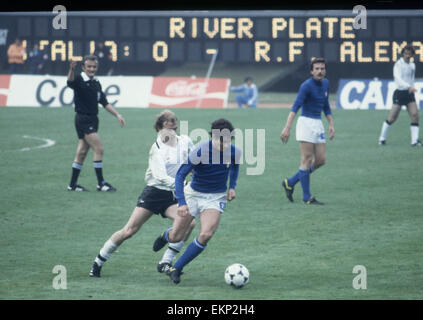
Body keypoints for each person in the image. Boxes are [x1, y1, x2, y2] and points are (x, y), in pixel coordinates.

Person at [89, 110, 196, 277]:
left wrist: (196, 171)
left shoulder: (185, 141)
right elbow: (160, 177)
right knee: (129, 231)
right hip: (154, 193)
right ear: (161, 126)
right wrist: (184, 184)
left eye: (175, 120)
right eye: (169, 121)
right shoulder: (157, 148)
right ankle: (98, 262)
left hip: (173, 195)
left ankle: (165, 262)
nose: (174, 123)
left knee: (189, 222)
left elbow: (195, 159)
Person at [152, 118, 241, 284]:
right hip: (193, 194)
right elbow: (180, 175)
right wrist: (182, 203)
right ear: (213, 138)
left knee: (206, 234)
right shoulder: (200, 151)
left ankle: (176, 268)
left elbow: (235, 167)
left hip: (215, 198)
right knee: (176, 236)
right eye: (221, 142)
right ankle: (166, 236)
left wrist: (232, 187)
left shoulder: (234, 151)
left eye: (227, 142)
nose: (224, 146)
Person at [280, 57, 335, 205]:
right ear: (311, 71)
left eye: (322, 68)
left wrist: (331, 124)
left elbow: (326, 106)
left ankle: (290, 182)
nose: (320, 71)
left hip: (318, 124)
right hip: (305, 124)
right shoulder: (306, 86)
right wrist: (287, 127)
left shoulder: (326, 84)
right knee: (307, 160)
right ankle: (307, 197)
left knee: (321, 160)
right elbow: (295, 107)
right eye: (316, 68)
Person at [67, 55, 125, 192]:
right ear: (83, 67)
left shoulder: (96, 83)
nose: (92, 69)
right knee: (99, 149)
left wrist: (117, 114)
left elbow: (104, 102)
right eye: (89, 67)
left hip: (93, 119)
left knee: (82, 152)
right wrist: (71, 70)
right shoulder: (79, 79)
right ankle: (101, 183)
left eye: (94, 67)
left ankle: (72, 185)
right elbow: (70, 83)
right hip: (84, 119)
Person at [378, 45, 421, 146]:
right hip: (400, 93)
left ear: (412, 55)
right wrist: (408, 86)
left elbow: (411, 79)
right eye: (405, 53)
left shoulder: (412, 65)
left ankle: (414, 141)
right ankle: (382, 138)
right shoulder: (398, 64)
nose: (407, 55)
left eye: (409, 53)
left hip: (409, 94)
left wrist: (412, 87)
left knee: (415, 115)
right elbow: (397, 78)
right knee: (392, 118)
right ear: (403, 53)